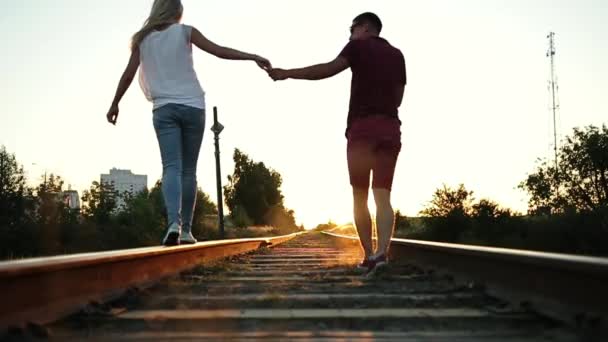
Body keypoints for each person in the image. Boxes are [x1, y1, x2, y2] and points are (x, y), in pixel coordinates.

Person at [105, 0, 271, 246]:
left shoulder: (143, 40)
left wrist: (115, 103)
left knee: (171, 166)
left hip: (164, 109)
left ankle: (174, 223)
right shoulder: (185, 32)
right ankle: (186, 231)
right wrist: (252, 56)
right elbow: (219, 50)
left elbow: (128, 74)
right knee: (189, 170)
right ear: (176, 12)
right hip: (193, 106)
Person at [269, 12, 406, 276]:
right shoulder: (397, 54)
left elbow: (326, 70)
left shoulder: (357, 46)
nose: (350, 33)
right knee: (383, 195)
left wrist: (287, 73)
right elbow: (398, 97)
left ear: (365, 28)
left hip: (362, 129)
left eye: (352, 28)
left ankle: (368, 255)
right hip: (390, 128)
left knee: (359, 196)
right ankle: (382, 254)